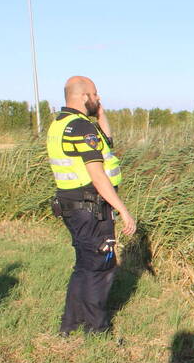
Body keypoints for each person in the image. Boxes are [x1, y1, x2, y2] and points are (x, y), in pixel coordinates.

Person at [46, 76, 136, 335]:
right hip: (91, 208)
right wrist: (122, 208)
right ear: (84, 96)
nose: (98, 98)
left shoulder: (63, 124)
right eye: (95, 95)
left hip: (73, 207)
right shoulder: (82, 128)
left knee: (85, 265)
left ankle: (70, 324)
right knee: (101, 267)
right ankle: (97, 330)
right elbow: (98, 175)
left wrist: (101, 113)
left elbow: (107, 143)